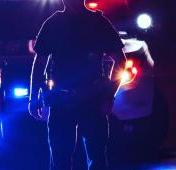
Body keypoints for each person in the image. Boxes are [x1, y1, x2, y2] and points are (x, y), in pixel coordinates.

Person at [28, 0, 126, 169]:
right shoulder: (96, 22)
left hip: (76, 100)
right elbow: (121, 61)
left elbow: (39, 63)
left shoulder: (55, 22)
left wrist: (34, 98)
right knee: (89, 158)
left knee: (64, 159)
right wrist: (108, 95)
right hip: (84, 99)